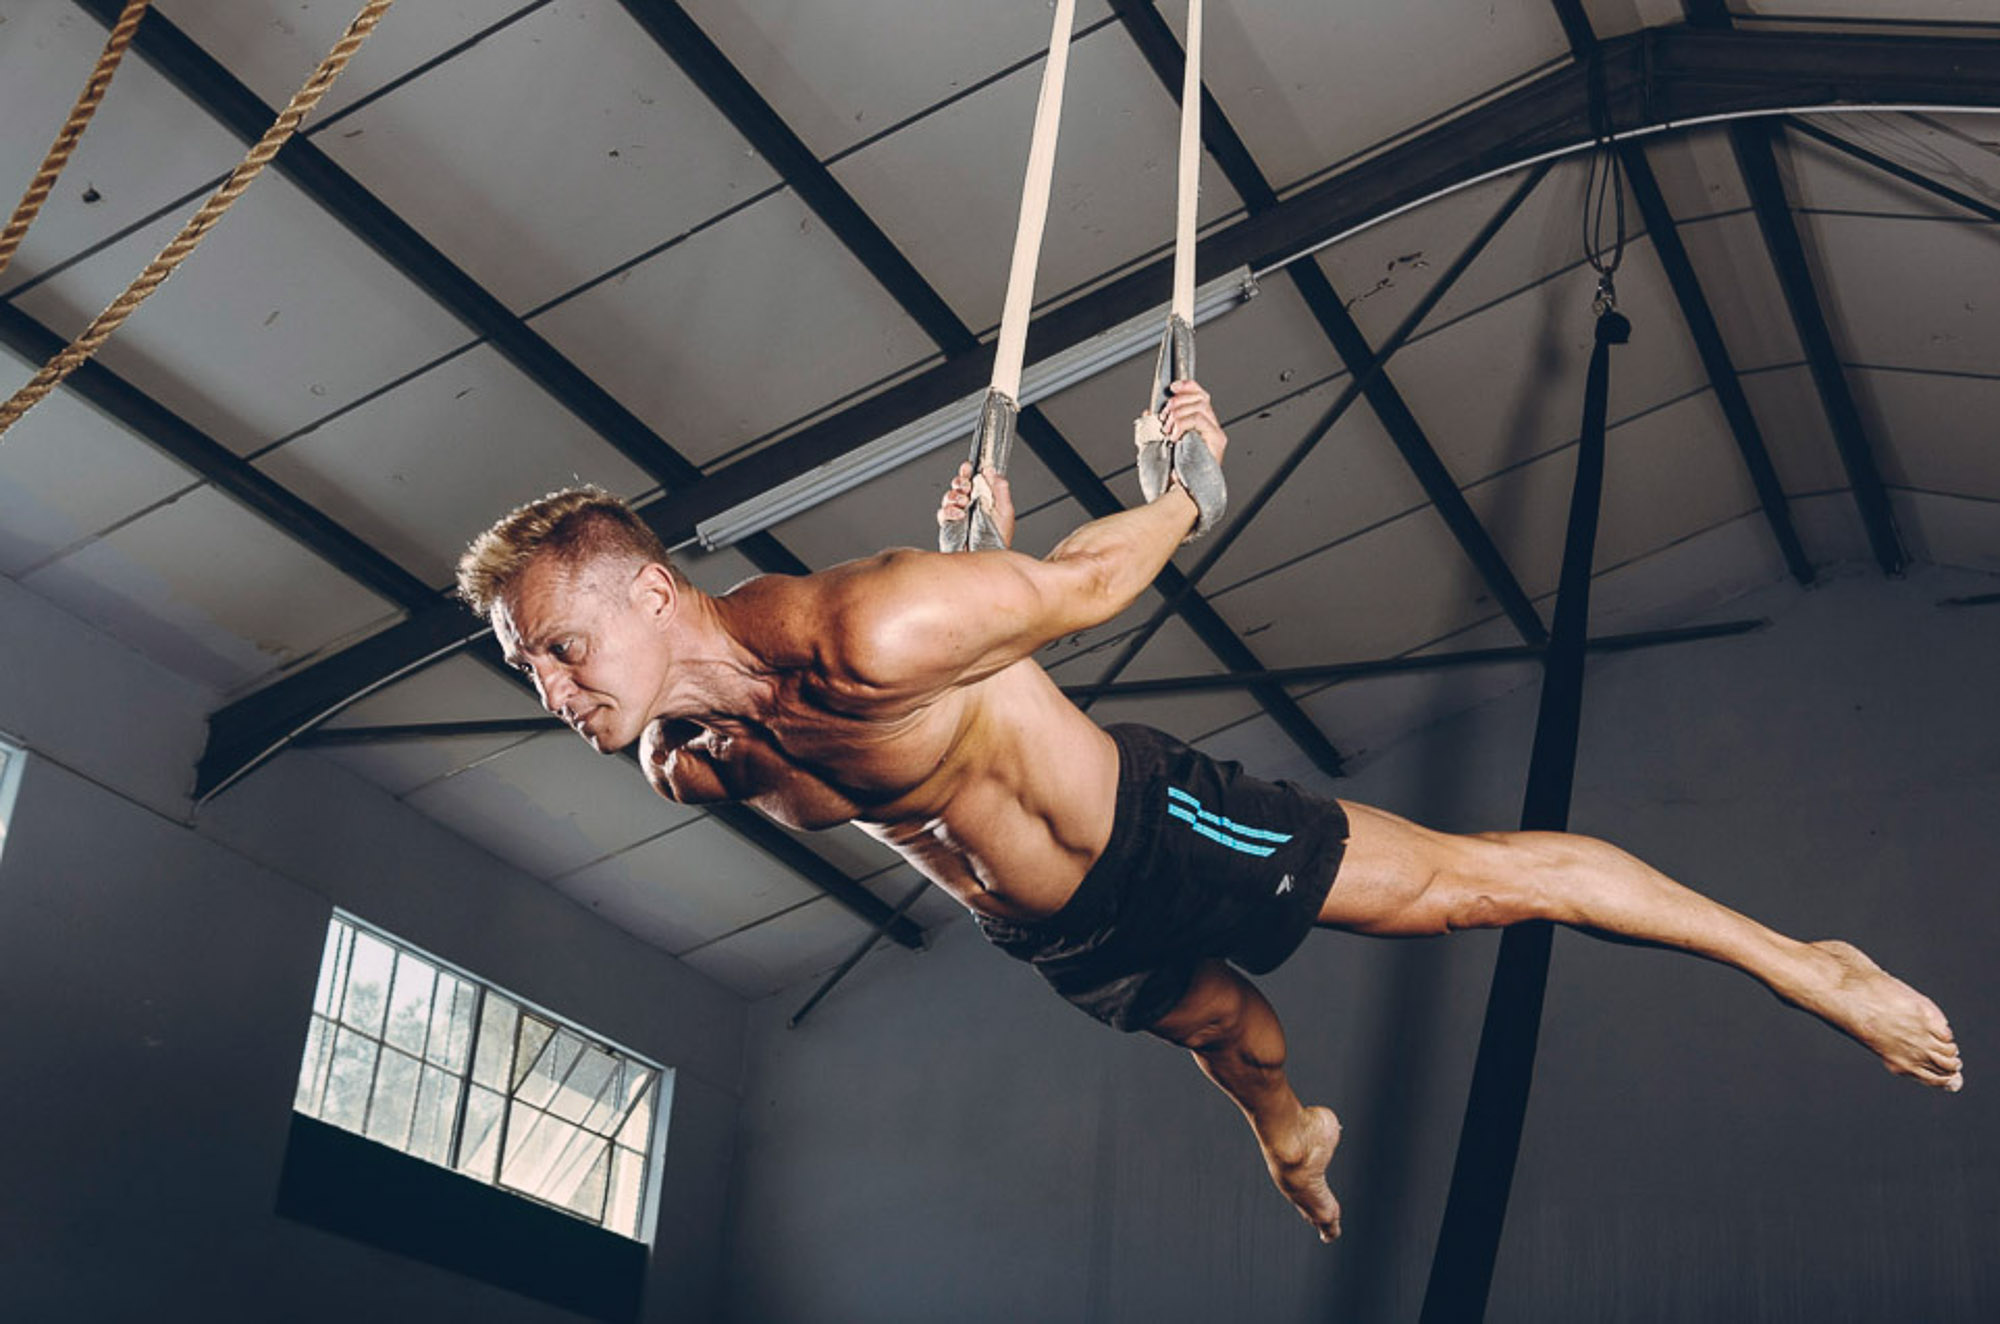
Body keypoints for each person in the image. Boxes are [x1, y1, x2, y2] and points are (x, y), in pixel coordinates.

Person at [456, 381, 1962, 1243]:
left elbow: (1085, 588)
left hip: (1157, 827)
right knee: (1237, 1042)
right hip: (1052, 933)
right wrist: (978, 593)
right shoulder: (687, 761)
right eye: (533, 671)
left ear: (654, 588)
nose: (556, 691)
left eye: (564, 649)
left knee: (1474, 889)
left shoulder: (868, 626)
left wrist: (1184, 488)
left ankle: (1803, 961)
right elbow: (913, 754)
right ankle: (1294, 1138)